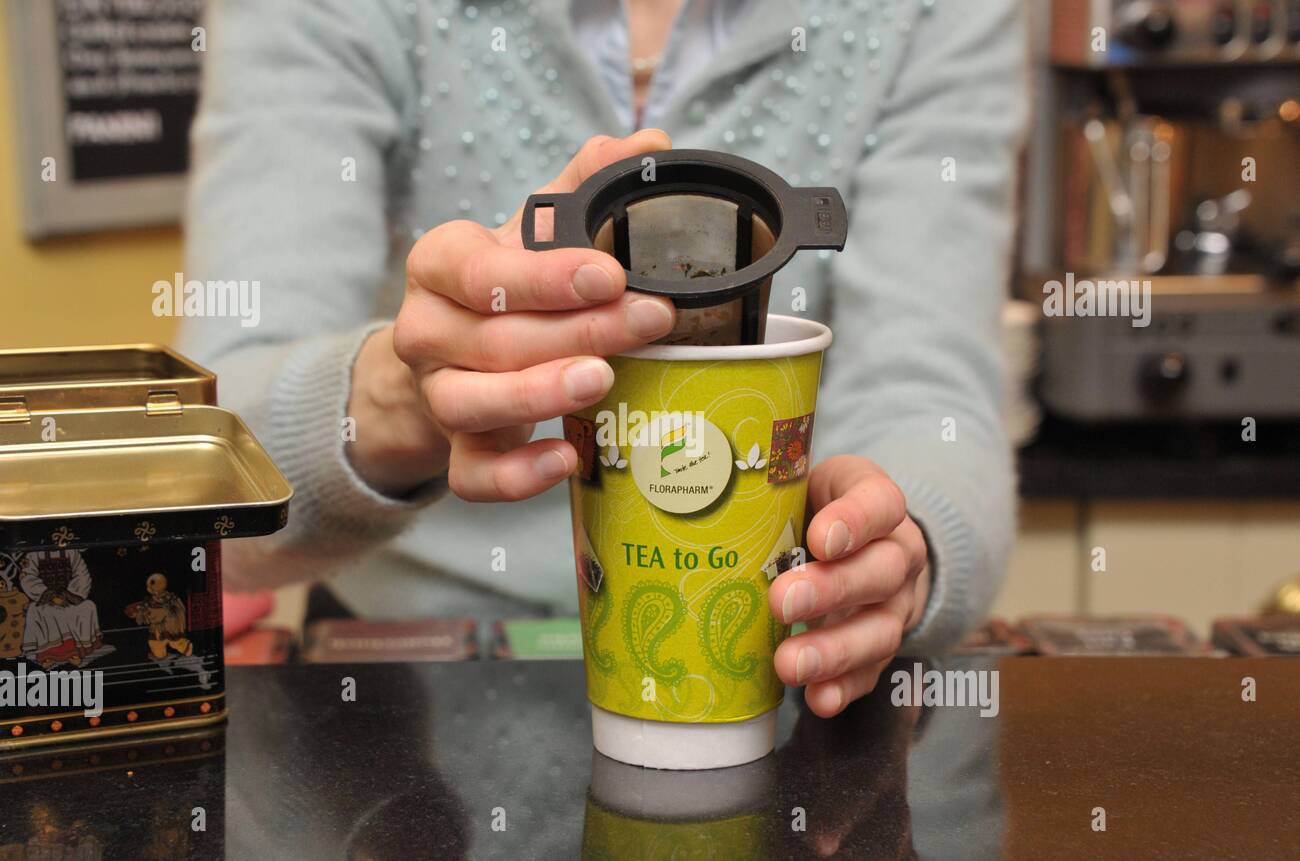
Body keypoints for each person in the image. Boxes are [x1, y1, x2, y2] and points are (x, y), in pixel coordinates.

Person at [181, 0, 1028, 717]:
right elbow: (215, 484)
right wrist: (408, 394)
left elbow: (931, 394)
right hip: (410, 687)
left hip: (776, 655)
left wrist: (894, 550)